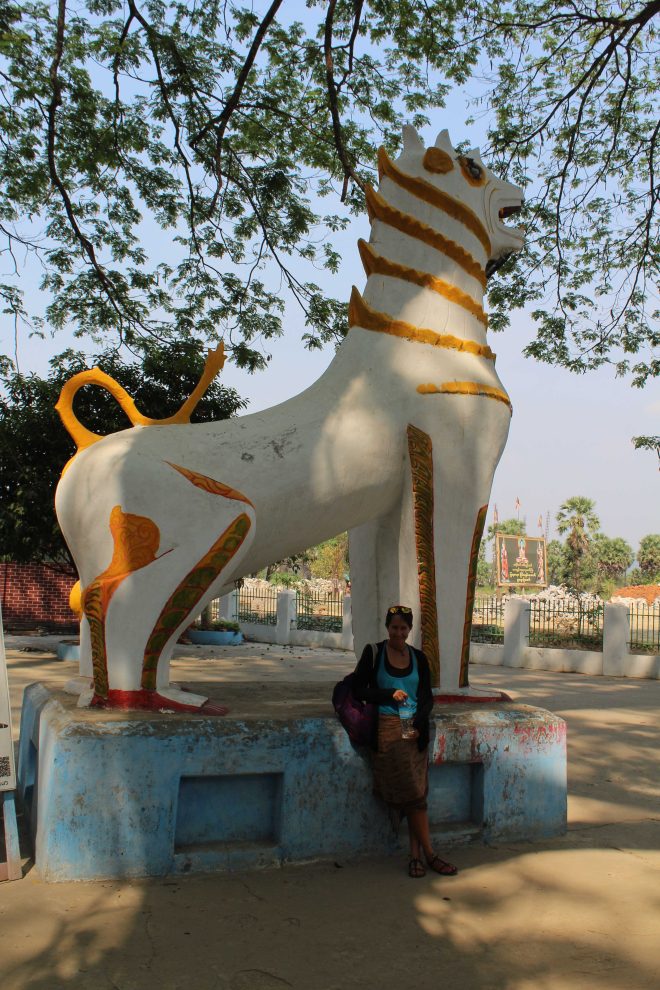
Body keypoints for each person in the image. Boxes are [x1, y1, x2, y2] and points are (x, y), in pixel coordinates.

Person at [352, 604, 458, 879]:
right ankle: (431, 854)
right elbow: (358, 689)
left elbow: (427, 696)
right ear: (387, 628)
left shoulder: (419, 658)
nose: (399, 633)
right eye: (394, 627)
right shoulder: (374, 653)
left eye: (403, 628)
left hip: (414, 731)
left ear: (410, 630)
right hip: (388, 729)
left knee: (417, 794)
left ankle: (415, 858)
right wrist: (388, 694)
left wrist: (420, 720)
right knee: (413, 793)